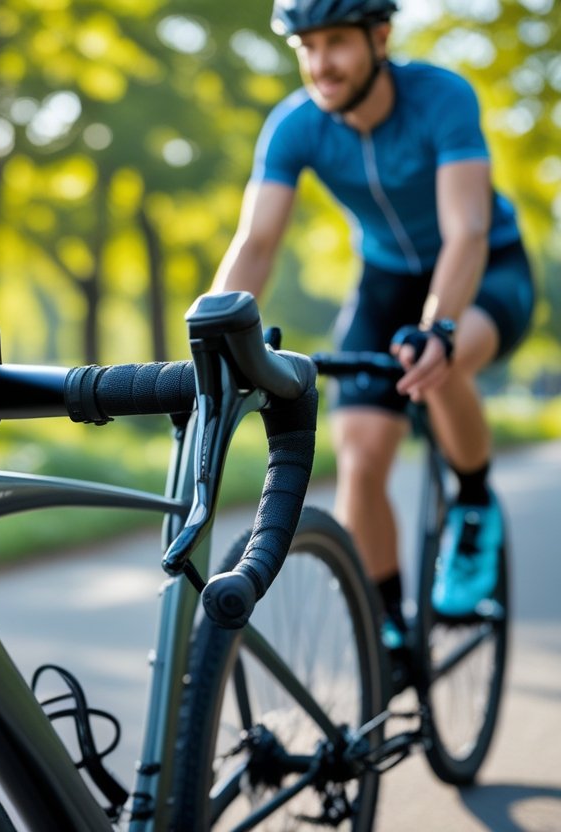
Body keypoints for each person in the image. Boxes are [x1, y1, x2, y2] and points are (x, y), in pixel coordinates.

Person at [211, 0, 536, 665]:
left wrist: (438, 327)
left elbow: (466, 229)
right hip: (384, 280)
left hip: (484, 267)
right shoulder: (295, 125)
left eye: (336, 42)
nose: (320, 63)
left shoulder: (441, 97)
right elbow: (258, 241)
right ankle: (389, 627)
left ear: (379, 36)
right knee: (358, 458)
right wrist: (213, 333)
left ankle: (474, 511)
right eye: (306, 46)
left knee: (440, 369)